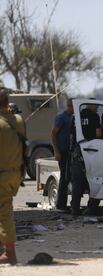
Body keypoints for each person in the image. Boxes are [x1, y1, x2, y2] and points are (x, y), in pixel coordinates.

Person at [0, 88, 26, 264]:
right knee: (5, 211)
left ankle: (10, 253)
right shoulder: (18, 121)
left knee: (3, 214)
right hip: (14, 174)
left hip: (1, 175)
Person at [70, 102, 102, 216]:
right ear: (90, 105)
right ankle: (92, 208)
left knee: (77, 182)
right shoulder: (94, 116)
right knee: (94, 180)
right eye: (96, 106)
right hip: (91, 151)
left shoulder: (76, 116)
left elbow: (71, 134)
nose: (97, 108)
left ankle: (75, 209)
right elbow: (98, 134)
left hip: (76, 151)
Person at [51, 98, 74, 212]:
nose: (72, 108)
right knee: (64, 178)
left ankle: (67, 204)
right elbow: (53, 134)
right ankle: (61, 205)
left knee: (69, 177)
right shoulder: (61, 117)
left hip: (71, 152)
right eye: (70, 106)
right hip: (63, 151)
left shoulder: (75, 117)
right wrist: (56, 151)